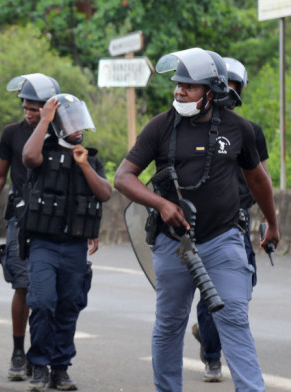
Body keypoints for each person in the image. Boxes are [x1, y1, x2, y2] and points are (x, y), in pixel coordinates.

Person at [114, 48, 279, 392]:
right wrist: (161, 204)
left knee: (232, 316)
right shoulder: (160, 126)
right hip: (172, 243)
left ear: (211, 90)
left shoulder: (239, 129)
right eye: (177, 85)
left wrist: (272, 223)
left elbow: (258, 180)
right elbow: (124, 177)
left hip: (223, 239)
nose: (179, 92)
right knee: (170, 324)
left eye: (188, 86)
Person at [22, 94, 111, 391]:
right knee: (43, 303)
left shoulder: (90, 157)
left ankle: (60, 369)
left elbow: (105, 193)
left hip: (74, 247)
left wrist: (84, 165)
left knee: (68, 307)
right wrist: (45, 118)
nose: (77, 127)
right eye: (69, 121)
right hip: (44, 244)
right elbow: (28, 158)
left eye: (79, 121)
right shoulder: (43, 151)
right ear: (59, 125)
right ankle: (38, 364)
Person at [0, 73, 60, 382]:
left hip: (54, 223)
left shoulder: (63, 132)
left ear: (52, 106)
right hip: (20, 219)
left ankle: (48, 358)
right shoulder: (12, 133)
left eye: (35, 108)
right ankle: (17, 351)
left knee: (49, 292)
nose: (28, 112)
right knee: (23, 285)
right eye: (25, 107)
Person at [190, 56, 270, 383]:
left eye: (233, 89)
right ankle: (211, 356)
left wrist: (269, 220)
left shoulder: (250, 131)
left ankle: (211, 336)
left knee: (240, 292)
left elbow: (261, 178)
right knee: (214, 298)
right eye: (222, 87)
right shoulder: (191, 128)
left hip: (237, 221)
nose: (227, 94)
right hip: (205, 225)